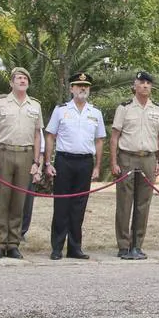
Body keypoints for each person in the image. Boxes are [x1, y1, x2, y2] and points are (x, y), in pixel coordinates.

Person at [44, 73, 105, 261]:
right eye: (78, 85)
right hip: (64, 161)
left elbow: (100, 140)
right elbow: (50, 136)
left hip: (85, 162)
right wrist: (48, 162)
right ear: (71, 88)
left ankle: (75, 247)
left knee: (79, 207)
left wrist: (97, 166)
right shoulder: (61, 110)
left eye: (86, 86)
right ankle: (57, 247)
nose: (82, 89)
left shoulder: (95, 113)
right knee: (61, 205)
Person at [0, 67, 43, 259]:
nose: (22, 80)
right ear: (11, 83)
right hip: (4, 153)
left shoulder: (35, 105)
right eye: (18, 78)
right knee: (3, 200)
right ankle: (0, 243)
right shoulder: (0, 103)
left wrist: (36, 161)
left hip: (25, 154)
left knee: (19, 201)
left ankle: (13, 243)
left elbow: (37, 134)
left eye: (25, 78)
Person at [110, 70, 159, 260]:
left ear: (151, 87)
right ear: (134, 86)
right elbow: (115, 136)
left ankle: (138, 244)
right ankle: (123, 245)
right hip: (127, 157)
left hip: (148, 159)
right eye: (141, 82)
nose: (144, 85)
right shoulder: (124, 108)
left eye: (148, 83)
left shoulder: (157, 110)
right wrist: (113, 161)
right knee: (124, 203)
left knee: (144, 203)